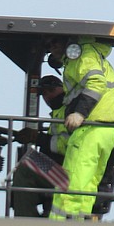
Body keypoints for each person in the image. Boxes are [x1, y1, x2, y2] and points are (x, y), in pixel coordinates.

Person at [45, 36, 114, 221]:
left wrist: (79, 114)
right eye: (48, 45)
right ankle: (80, 224)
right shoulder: (98, 58)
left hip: (91, 126)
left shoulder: (84, 57)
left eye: (54, 42)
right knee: (89, 182)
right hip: (109, 130)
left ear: (67, 42)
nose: (51, 48)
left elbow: (96, 83)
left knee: (73, 178)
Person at [12, 75, 69, 218]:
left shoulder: (71, 112)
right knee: (25, 162)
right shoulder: (57, 114)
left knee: (25, 171)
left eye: (51, 90)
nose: (47, 96)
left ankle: (26, 223)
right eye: (43, 93)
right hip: (61, 164)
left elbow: (69, 145)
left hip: (70, 169)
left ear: (63, 88)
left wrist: (38, 138)